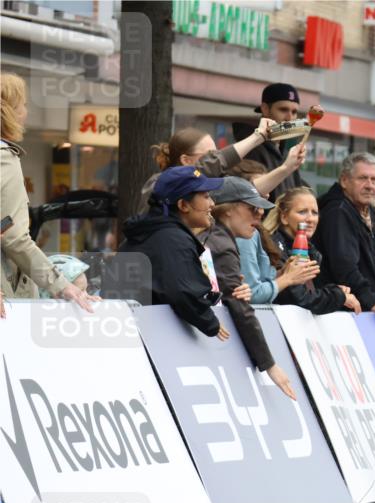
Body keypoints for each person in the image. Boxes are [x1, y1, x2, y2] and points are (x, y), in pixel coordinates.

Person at [1, 72, 95, 317]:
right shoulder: (3, 157)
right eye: (23, 105)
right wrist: (63, 286)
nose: (26, 112)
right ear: (8, 111)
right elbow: (13, 237)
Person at [105, 166, 231, 340]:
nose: (212, 204)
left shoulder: (155, 232)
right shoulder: (172, 239)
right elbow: (183, 292)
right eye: (206, 196)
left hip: (125, 335)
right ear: (183, 205)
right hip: (145, 339)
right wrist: (211, 324)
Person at [201, 177, 297, 399]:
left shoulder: (218, 237)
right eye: (252, 208)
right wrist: (270, 365)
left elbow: (227, 295)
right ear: (227, 211)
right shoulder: (222, 244)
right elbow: (240, 307)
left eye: (260, 209)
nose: (260, 214)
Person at [313, 153, 375, 325]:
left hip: (365, 312)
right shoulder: (338, 212)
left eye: (374, 179)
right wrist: (372, 300)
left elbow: (373, 267)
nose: (370, 185)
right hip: (342, 316)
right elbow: (344, 267)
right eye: (363, 178)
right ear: (344, 181)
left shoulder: (366, 209)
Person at [139, 124, 305, 214]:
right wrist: (257, 137)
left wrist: (286, 168)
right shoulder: (156, 184)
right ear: (186, 160)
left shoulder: (202, 188)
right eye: (210, 154)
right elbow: (212, 165)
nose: (216, 158)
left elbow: (245, 190)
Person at [262, 187, 359, 315]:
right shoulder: (273, 247)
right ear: (284, 217)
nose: (310, 219)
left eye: (314, 213)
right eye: (302, 212)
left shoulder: (311, 251)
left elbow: (309, 294)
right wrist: (339, 296)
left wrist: (335, 290)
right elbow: (299, 299)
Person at [232, 82, 308, 198]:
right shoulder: (249, 149)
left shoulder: (287, 152)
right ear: (265, 109)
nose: (289, 118)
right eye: (283, 110)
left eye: (294, 112)